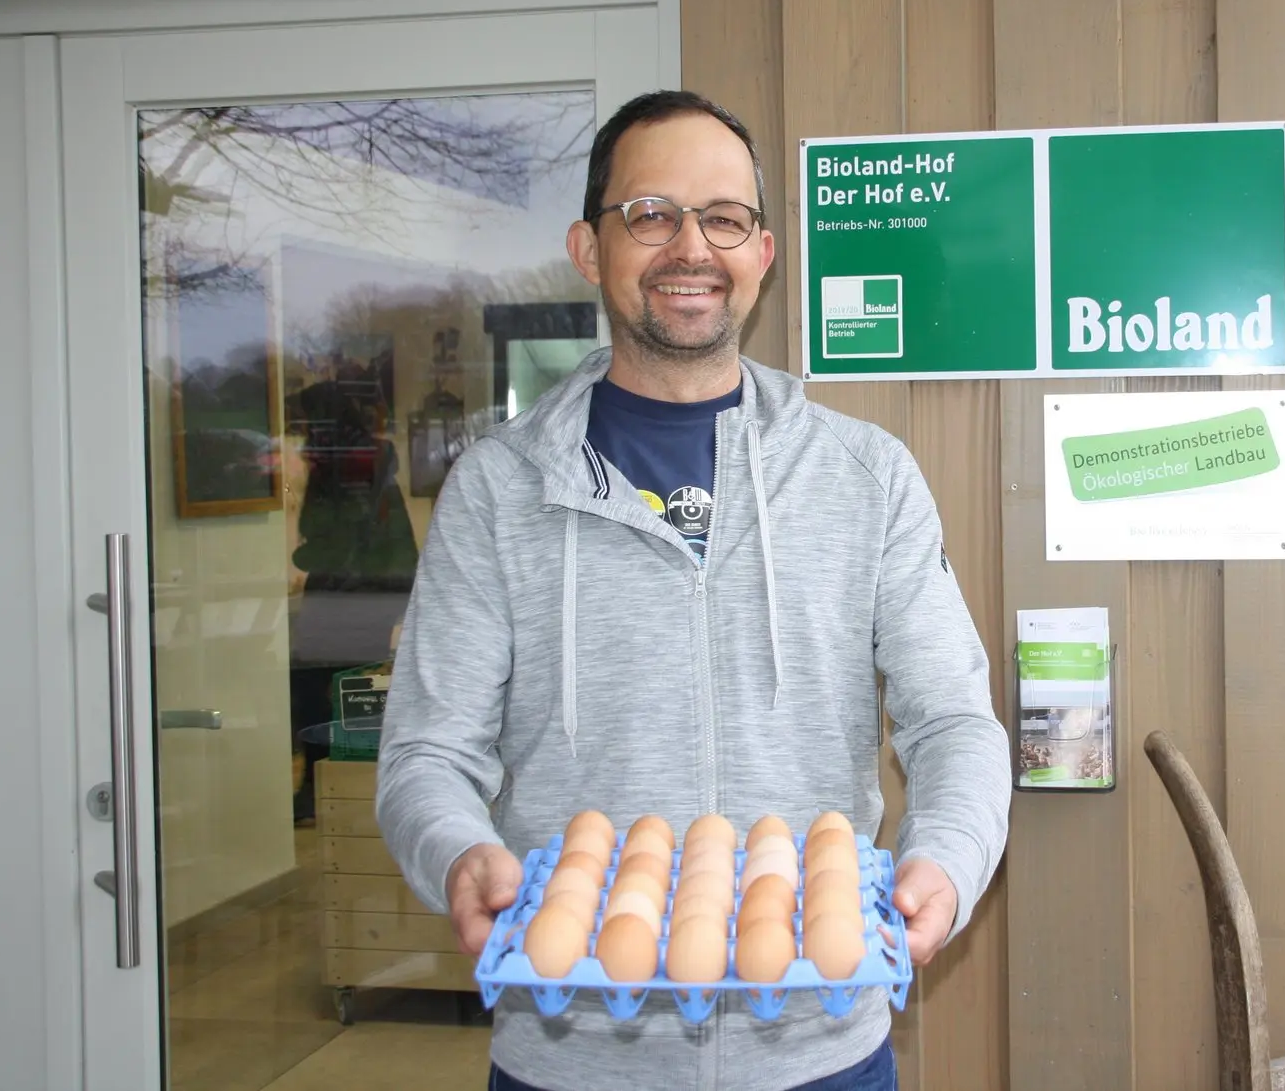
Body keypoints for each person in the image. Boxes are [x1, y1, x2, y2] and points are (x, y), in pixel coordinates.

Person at [376, 90, 1011, 1091]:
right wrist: (458, 850)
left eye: (723, 218)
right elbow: (426, 749)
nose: (690, 247)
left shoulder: (864, 476)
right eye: (650, 214)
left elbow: (953, 726)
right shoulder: (499, 491)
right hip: (566, 1057)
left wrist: (947, 859)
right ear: (591, 247)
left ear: (761, 253)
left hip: (820, 1051)